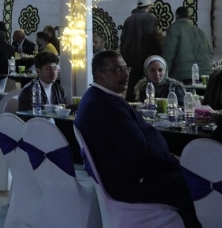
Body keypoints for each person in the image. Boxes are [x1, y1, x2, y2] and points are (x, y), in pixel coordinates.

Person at [74, 50, 201, 228]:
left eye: (125, 68)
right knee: (194, 182)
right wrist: (176, 162)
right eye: (117, 70)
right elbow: (140, 152)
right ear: (100, 76)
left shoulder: (97, 97)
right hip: (131, 184)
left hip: (126, 177)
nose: (125, 74)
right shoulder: (105, 106)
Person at [120, 0, 163, 101]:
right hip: (146, 60)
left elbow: (123, 41)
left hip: (132, 63)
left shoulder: (128, 20)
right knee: (145, 92)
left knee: (132, 90)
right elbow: (152, 38)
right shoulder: (150, 18)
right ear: (148, 6)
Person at [162, 6, 213, 85]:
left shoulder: (174, 29)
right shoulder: (199, 31)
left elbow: (168, 54)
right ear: (188, 17)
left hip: (184, 76)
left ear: (177, 15)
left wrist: (164, 76)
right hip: (206, 75)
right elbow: (210, 52)